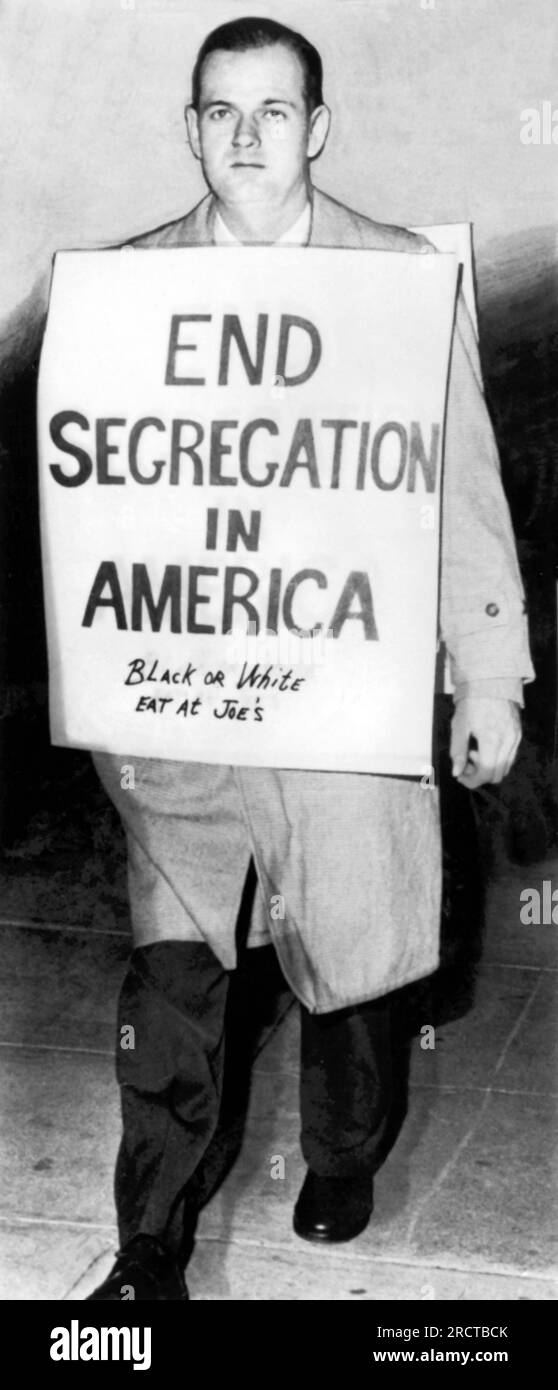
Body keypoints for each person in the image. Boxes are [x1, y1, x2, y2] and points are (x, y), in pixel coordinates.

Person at [86, 16, 533, 1301]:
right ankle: (148, 1245)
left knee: (356, 968)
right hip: (188, 722)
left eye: (272, 111)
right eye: (220, 111)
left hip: (350, 712)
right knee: (172, 981)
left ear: (317, 128)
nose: (245, 137)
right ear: (190, 129)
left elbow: (461, 493)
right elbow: (97, 503)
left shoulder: (397, 284)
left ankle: (342, 1153)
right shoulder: (126, 291)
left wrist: (486, 675)